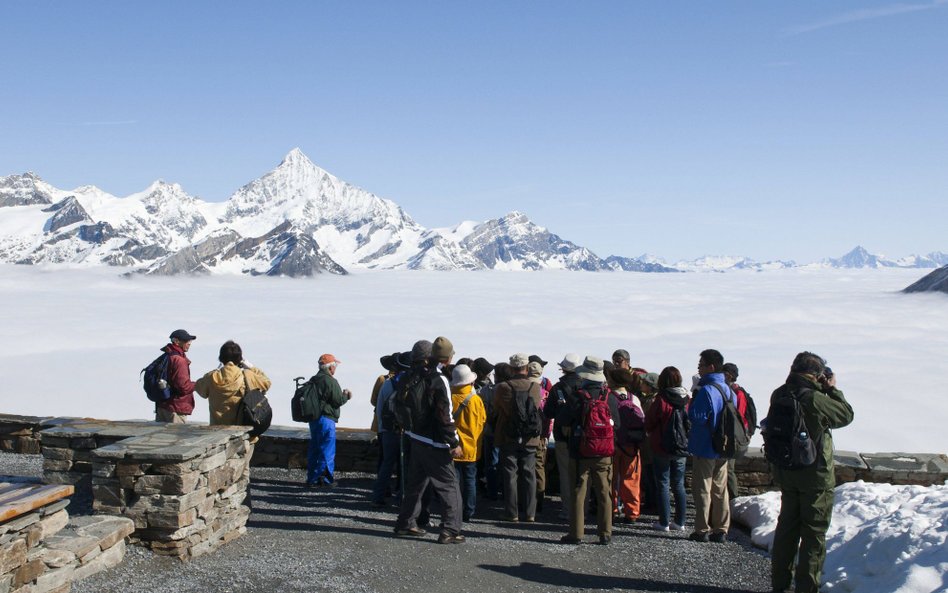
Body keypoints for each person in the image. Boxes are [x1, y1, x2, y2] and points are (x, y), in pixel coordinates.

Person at [770, 352, 853, 593]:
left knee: (786, 530)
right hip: (814, 476)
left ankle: (780, 585)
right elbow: (845, 415)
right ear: (815, 375)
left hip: (787, 470)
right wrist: (832, 390)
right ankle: (806, 588)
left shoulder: (779, 393)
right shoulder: (815, 399)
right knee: (813, 534)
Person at [395, 337, 465, 544]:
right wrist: (453, 442)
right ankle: (451, 530)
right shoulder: (438, 379)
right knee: (449, 486)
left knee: (415, 484)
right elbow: (445, 414)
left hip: (415, 437)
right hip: (435, 443)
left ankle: (405, 523)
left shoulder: (410, 375)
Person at [561, 356, 619, 545]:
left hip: (580, 451)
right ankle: (605, 533)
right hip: (604, 453)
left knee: (579, 491)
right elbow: (617, 424)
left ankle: (576, 533)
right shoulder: (609, 397)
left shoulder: (577, 397)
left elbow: (563, 420)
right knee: (604, 492)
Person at [491, 353, 542, 522]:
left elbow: (496, 408)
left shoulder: (503, 387)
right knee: (529, 473)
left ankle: (511, 512)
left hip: (508, 434)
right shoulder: (535, 387)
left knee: (510, 473)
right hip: (530, 436)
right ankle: (530, 512)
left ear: (511, 368)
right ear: (526, 368)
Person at [687, 349, 730, 543]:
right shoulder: (728, 389)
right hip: (724, 445)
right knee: (720, 489)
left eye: (701, 364)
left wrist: (693, 403)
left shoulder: (706, 391)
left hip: (706, 446)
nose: (699, 368)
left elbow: (697, 417)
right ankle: (721, 529)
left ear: (710, 367)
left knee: (703, 488)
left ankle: (702, 529)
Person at [645, 366, 690, 531]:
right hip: (681, 447)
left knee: (663, 483)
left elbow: (650, 421)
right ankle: (680, 521)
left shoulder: (661, 399)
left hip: (661, 446)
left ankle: (664, 522)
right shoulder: (686, 399)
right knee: (678, 483)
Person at [195, 340, 272, 428]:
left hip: (217, 431)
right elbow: (267, 382)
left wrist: (215, 370)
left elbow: (199, 388)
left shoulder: (211, 377)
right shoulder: (247, 375)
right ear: (239, 359)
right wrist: (251, 367)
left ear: (221, 358)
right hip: (242, 431)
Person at [543, 353, 582, 521]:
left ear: (563, 369)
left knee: (566, 474)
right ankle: (582, 510)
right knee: (582, 474)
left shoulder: (558, 387)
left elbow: (548, 412)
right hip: (583, 436)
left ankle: (567, 510)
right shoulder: (585, 385)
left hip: (562, 435)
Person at [371, 351, 412, 507]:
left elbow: (379, 406)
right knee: (406, 465)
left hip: (388, 430)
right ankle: (402, 498)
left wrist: (382, 428)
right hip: (406, 431)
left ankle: (378, 496)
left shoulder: (388, 383)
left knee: (387, 464)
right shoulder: (411, 383)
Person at [306, 354, 352, 488]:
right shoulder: (330, 381)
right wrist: (346, 396)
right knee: (327, 450)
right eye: (335, 365)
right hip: (326, 419)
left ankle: (312, 478)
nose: (335, 368)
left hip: (314, 419)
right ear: (330, 367)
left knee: (315, 448)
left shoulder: (314, 379)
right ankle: (325, 480)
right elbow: (337, 401)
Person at [607, 367, 645, 524]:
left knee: (611, 479)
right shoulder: (634, 398)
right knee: (631, 478)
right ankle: (632, 512)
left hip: (613, 444)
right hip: (632, 445)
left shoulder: (609, 397)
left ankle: (612, 509)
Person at [450, 364, 486, 522]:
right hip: (471, 447)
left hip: (452, 446)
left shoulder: (450, 398)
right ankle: (469, 511)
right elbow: (483, 420)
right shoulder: (476, 400)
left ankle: (454, 509)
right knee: (470, 480)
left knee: (454, 481)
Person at [722, 361, 754, 499]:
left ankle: (733, 499)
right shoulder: (733, 391)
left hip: (734, 436)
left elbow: (738, 416)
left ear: (728, 376)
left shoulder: (737, 393)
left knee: (729, 469)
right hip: (732, 435)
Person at [528, 357, 553, 513]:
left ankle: (526, 500)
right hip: (542, 436)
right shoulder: (546, 392)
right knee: (539, 467)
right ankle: (539, 500)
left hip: (523, 436)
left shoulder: (522, 389)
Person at [155, 329, 197, 423]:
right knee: (176, 437)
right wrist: (199, 384)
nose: (189, 343)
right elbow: (183, 387)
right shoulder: (179, 360)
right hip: (175, 409)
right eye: (186, 340)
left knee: (161, 438)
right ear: (177, 342)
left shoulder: (167, 356)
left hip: (163, 406)